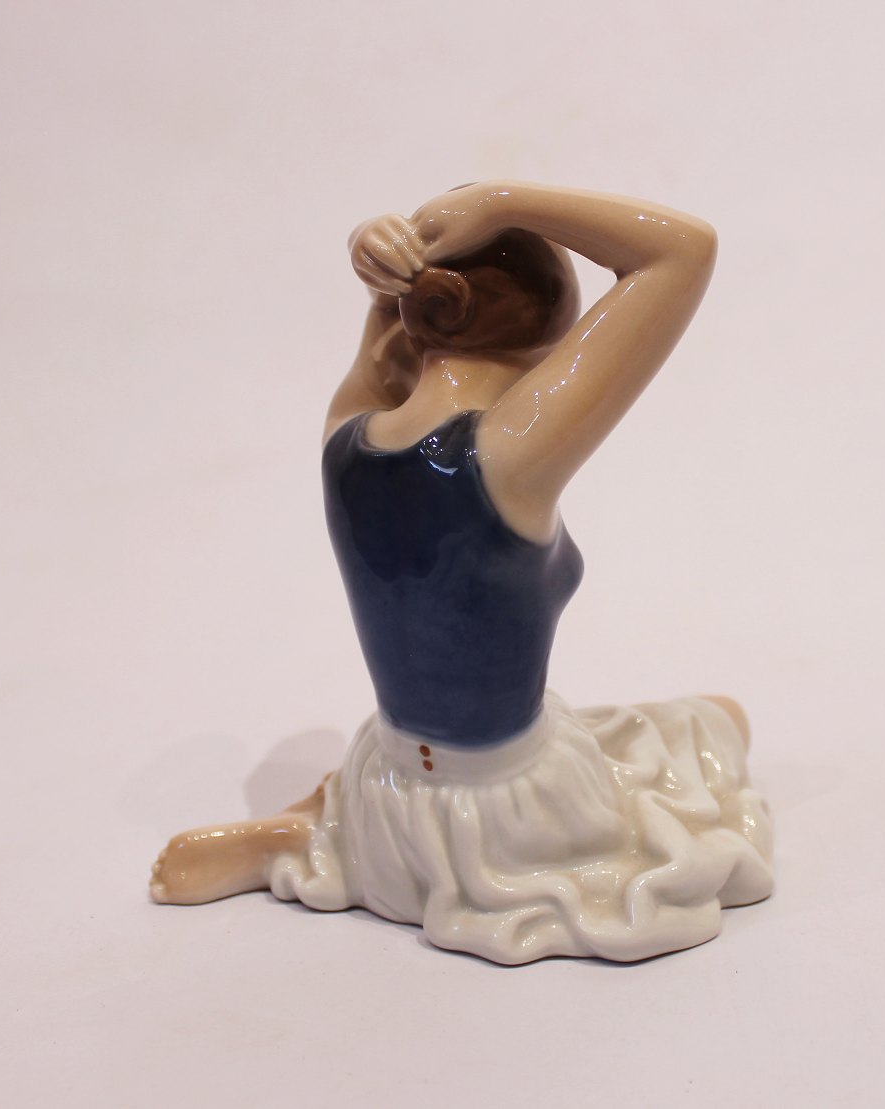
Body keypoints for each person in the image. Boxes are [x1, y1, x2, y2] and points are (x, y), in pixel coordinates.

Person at [150, 182, 774, 963]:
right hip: (512, 806)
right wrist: (504, 200)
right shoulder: (509, 456)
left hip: (387, 781)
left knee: (679, 726)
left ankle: (324, 830)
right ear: (551, 332)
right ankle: (330, 834)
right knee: (710, 726)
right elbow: (683, 250)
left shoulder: (345, 437)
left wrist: (384, 266)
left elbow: (384, 354)